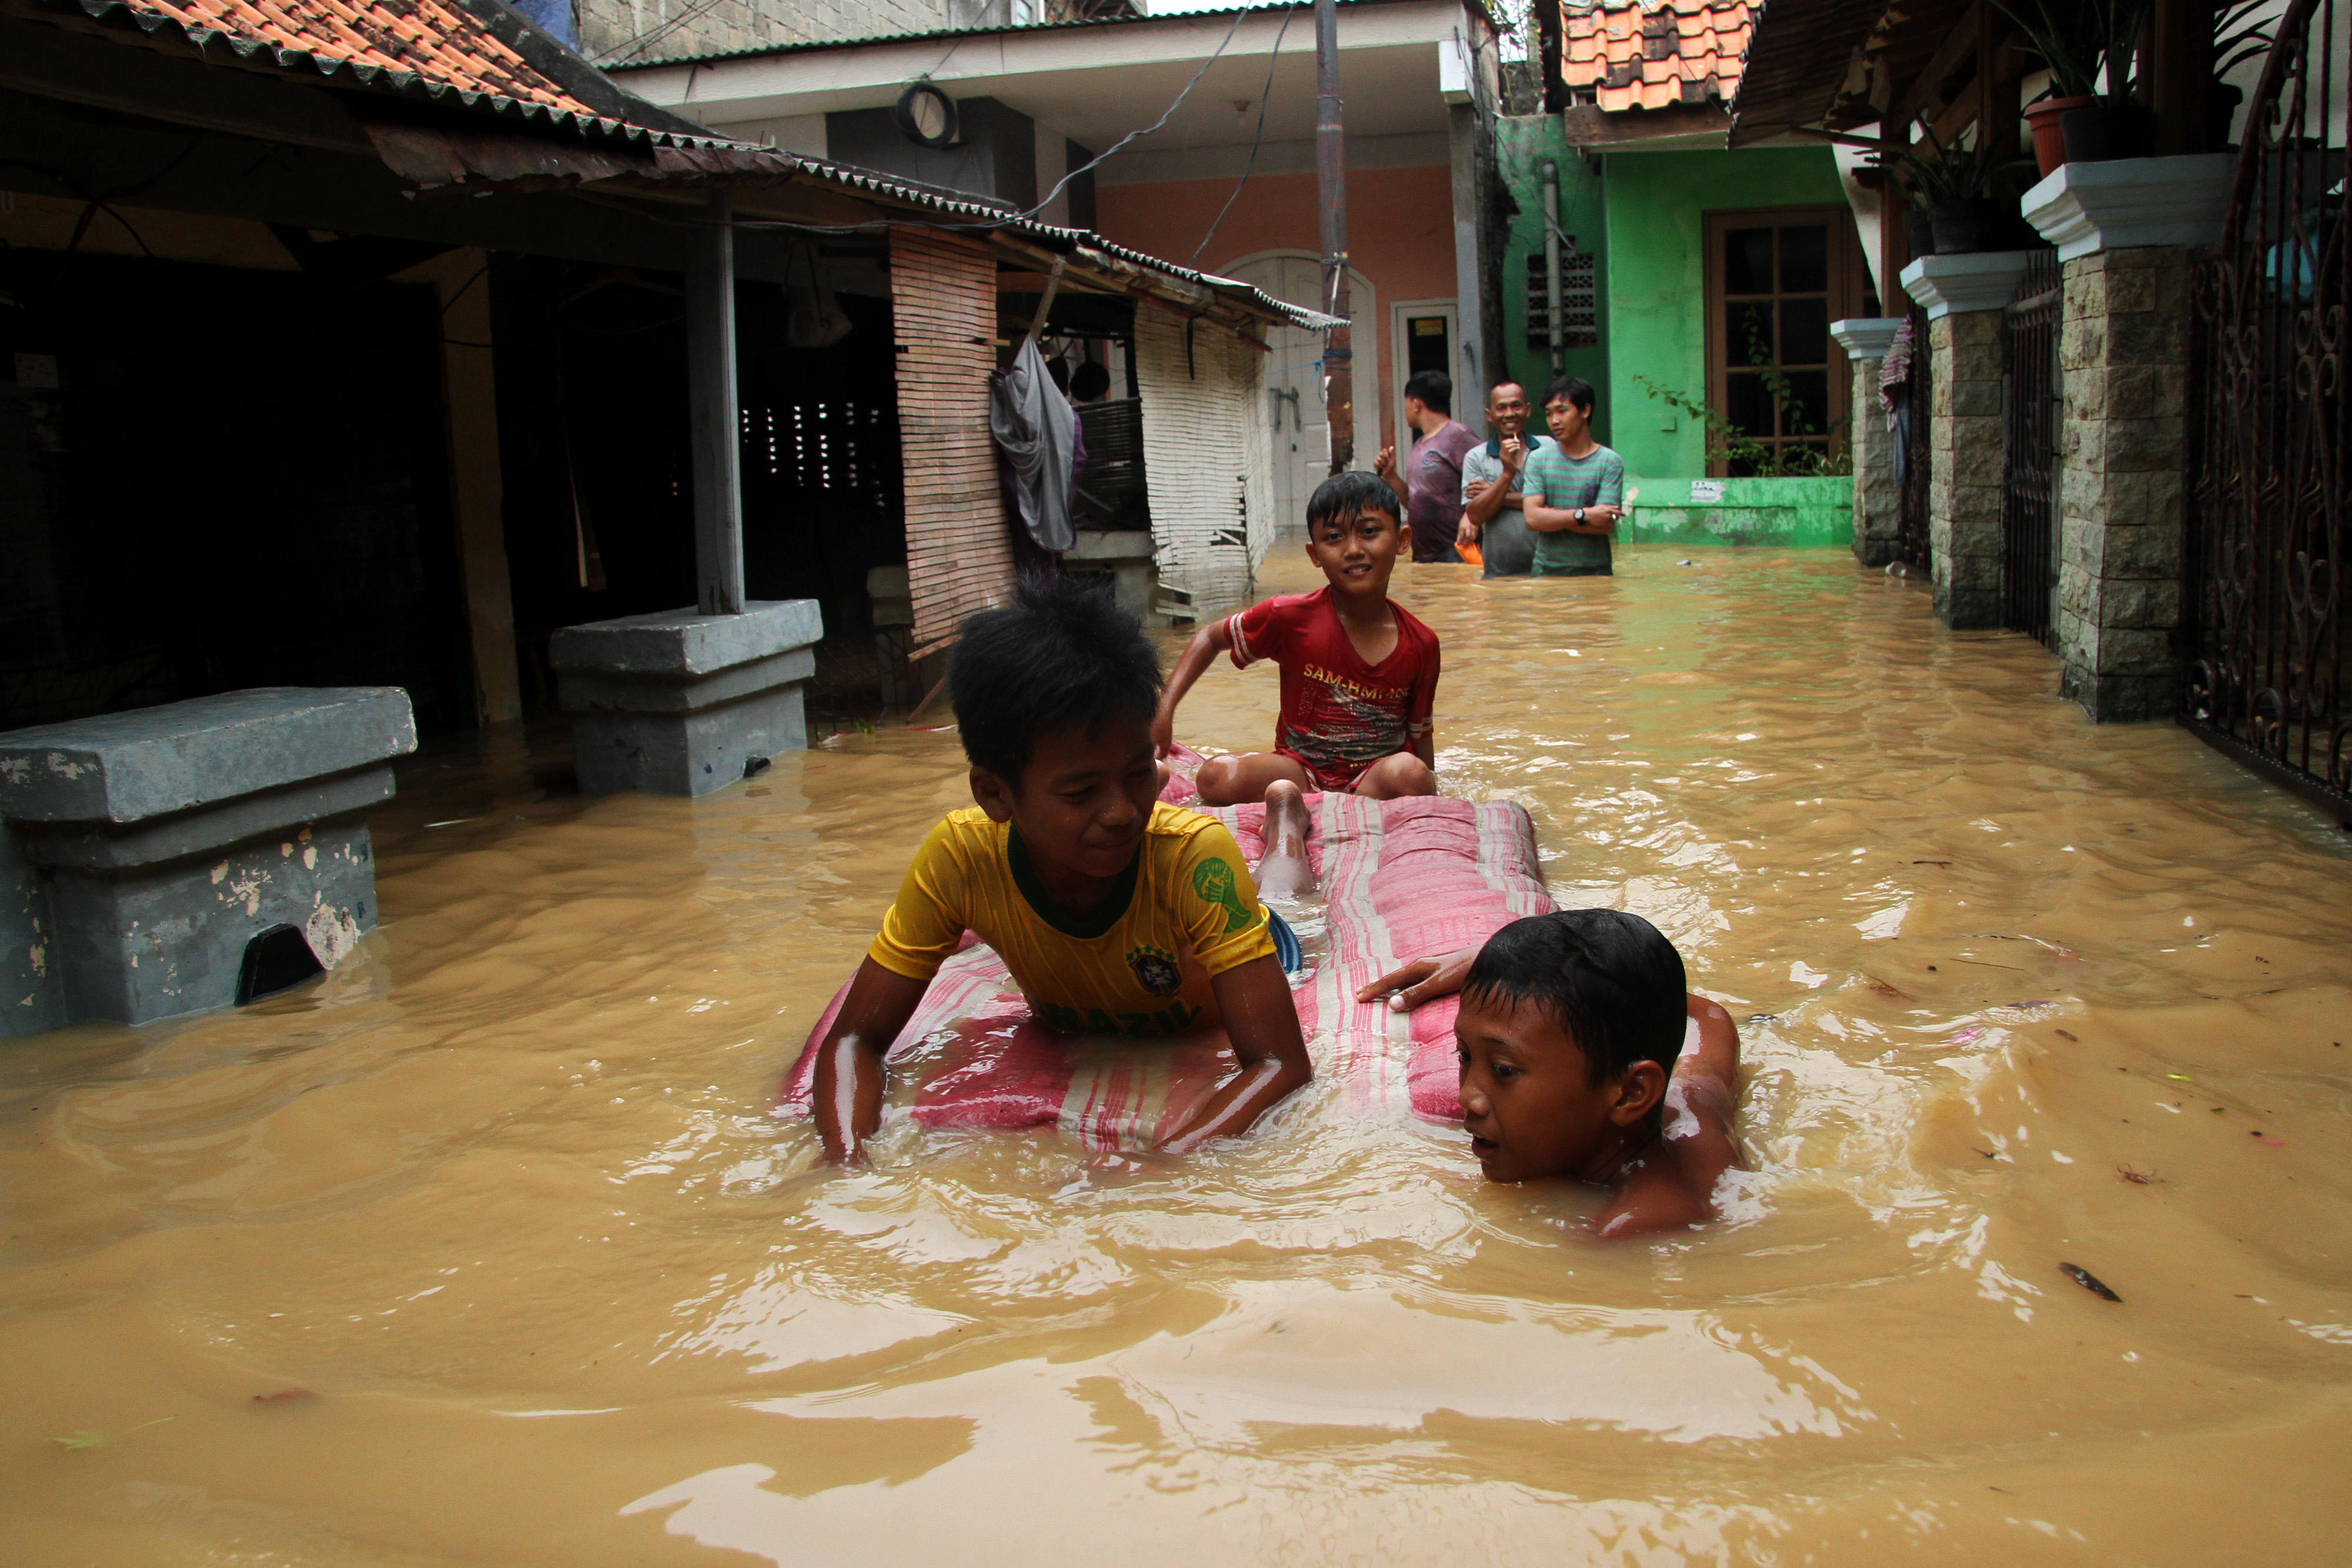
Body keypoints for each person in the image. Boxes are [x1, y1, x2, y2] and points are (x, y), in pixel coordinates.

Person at [810, 579, 1312, 1165]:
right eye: (1081, 792)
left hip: (1258, 947)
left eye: (1137, 774)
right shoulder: (959, 859)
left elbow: (1280, 1063)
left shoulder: (1192, 857)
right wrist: (845, 1158)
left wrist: (1158, 1162)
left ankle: (1284, 818)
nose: (1122, 812)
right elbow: (853, 1040)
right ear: (995, 794)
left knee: (1283, 889)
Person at [1354, 910, 1742, 1238]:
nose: (1468, 1097)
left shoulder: (1638, 1223)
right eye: (1465, 1055)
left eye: (1504, 1070)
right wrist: (1511, 976)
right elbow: (1709, 1016)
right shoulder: (1694, 1104)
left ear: (1630, 1093)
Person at [1152, 471, 1440, 896]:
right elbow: (1211, 637)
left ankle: (1305, 811)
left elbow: (1421, 734)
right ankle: (1296, 804)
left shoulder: (1422, 643)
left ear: (1401, 540)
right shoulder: (1291, 617)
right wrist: (1164, 710)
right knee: (1215, 778)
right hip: (1299, 769)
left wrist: (1430, 791)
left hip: (1373, 778)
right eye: (1335, 537)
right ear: (1314, 554)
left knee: (1412, 774)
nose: (1354, 550)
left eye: (1370, 532)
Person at [1519, 375, 1626, 578]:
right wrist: (1584, 515)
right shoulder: (1538, 459)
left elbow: (1604, 525)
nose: (1554, 421)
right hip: (1546, 572)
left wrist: (1552, 517)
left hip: (1596, 574)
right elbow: (1533, 520)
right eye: (1549, 414)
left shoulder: (1609, 462)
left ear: (1585, 411)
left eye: (1562, 411)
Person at [1374, 370, 1483, 564]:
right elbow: (1412, 501)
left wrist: (1471, 517)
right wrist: (1390, 475)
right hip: (1424, 555)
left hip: (1457, 551)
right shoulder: (1418, 447)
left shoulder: (1459, 436)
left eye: (1406, 402)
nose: (1405, 408)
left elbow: (1485, 484)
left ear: (1416, 404)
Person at [1458, 380, 1554, 579]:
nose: (1510, 414)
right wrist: (1507, 474)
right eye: (1501, 408)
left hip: (1549, 569)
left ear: (1528, 410)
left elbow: (1555, 503)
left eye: (1516, 406)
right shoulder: (1476, 457)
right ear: (1489, 415)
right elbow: (1475, 515)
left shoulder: (1548, 448)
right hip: (1499, 573)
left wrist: (1493, 492)